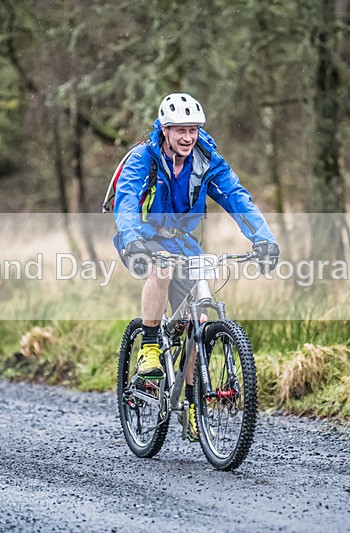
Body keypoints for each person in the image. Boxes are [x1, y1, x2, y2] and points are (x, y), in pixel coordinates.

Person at [113, 93, 279, 440]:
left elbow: (237, 196)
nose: (187, 137)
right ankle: (149, 349)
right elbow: (127, 200)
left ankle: (192, 403)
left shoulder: (206, 158)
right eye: (180, 130)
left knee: (199, 321)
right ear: (165, 130)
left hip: (185, 243)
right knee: (161, 268)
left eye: (192, 129)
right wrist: (132, 241)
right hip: (144, 236)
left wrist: (263, 239)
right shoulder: (145, 157)